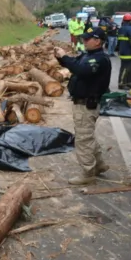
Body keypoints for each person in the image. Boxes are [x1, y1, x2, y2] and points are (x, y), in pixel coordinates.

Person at [54, 27, 112, 185]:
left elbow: (81, 70)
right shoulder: (89, 55)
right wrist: (61, 57)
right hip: (83, 103)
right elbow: (75, 64)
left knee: (83, 140)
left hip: (87, 104)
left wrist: (65, 57)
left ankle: (88, 173)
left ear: (97, 41)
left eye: (87, 39)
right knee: (88, 137)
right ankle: (99, 165)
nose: (84, 41)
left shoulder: (99, 59)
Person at [117, 13, 131, 89]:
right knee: (126, 68)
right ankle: (121, 84)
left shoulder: (121, 29)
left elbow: (119, 41)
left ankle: (129, 83)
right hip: (128, 52)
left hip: (123, 51)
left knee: (129, 67)